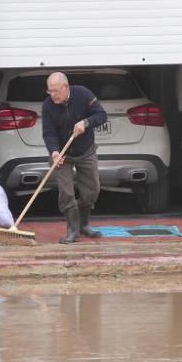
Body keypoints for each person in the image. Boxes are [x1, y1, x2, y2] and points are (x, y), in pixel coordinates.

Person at [42, 72, 108, 244]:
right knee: (66, 192)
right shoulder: (48, 106)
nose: (53, 95)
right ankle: (72, 230)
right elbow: (49, 133)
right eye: (50, 91)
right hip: (62, 155)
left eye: (56, 91)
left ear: (66, 87)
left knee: (92, 190)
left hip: (86, 151)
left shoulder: (83, 94)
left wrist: (85, 123)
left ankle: (84, 225)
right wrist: (55, 152)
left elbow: (101, 115)